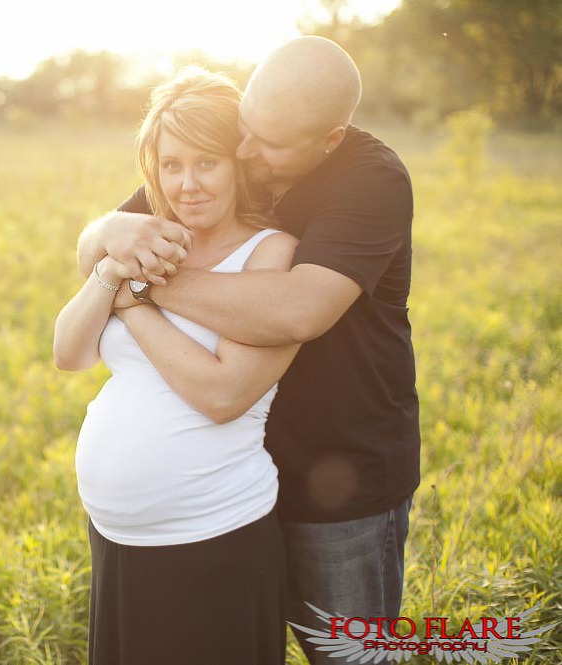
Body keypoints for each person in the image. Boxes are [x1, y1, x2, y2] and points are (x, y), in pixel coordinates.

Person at [77, 36, 419, 663]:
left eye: (267, 142)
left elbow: (299, 309)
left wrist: (139, 287)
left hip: (339, 478)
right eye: (245, 130)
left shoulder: (372, 181)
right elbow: (99, 249)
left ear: (329, 139)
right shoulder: (231, 155)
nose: (244, 152)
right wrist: (108, 230)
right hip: (232, 482)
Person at [54, 67, 299, 664]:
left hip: (212, 537)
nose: (187, 184)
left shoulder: (270, 252)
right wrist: (111, 271)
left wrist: (134, 301)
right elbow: (69, 352)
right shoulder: (150, 240)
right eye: (171, 165)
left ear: (239, 163)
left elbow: (223, 395)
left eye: (206, 163)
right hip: (119, 542)